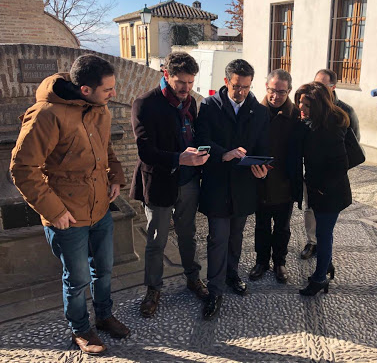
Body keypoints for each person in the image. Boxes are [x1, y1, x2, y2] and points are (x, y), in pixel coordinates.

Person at [10, 54, 129, 354]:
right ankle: (80, 329)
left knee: (103, 269)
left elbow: (106, 149)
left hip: (100, 208)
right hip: (67, 217)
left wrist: (115, 177)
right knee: (75, 279)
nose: (113, 95)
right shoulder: (46, 115)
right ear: (85, 90)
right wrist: (55, 211)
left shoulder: (100, 109)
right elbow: (23, 169)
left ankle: (103, 316)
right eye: (108, 90)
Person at [130, 52, 210, 318]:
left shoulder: (192, 103)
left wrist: (201, 154)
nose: (186, 88)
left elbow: (193, 135)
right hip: (160, 184)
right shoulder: (144, 103)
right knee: (157, 240)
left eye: (190, 82)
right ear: (166, 75)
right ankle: (153, 289)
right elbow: (145, 152)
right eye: (180, 82)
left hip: (188, 182)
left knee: (188, 235)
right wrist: (179, 158)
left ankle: (193, 278)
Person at [194, 59, 269, 320]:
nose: (241, 92)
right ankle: (214, 290)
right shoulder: (209, 106)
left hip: (245, 186)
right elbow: (200, 141)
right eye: (237, 86)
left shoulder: (259, 111)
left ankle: (232, 274)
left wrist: (262, 167)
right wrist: (223, 154)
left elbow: (263, 147)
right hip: (217, 185)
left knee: (236, 236)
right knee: (217, 238)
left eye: (246, 87)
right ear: (226, 82)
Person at [295, 81, 352, 296]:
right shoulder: (314, 124)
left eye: (306, 105)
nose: (301, 108)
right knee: (323, 233)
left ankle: (319, 279)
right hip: (320, 189)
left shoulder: (330, 129)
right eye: (300, 102)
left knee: (323, 234)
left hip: (330, 193)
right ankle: (326, 266)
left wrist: (321, 189)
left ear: (318, 106)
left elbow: (341, 166)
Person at [300, 69, 360, 260]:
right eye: (315, 83)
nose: (317, 88)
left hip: (330, 180)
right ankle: (312, 242)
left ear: (332, 88)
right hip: (312, 174)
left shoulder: (344, 111)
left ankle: (323, 265)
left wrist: (333, 172)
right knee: (309, 209)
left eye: (323, 85)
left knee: (325, 227)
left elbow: (352, 145)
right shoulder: (307, 108)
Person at [249, 69, 300, 284]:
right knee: (261, 226)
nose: (275, 96)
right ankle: (261, 261)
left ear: (288, 91)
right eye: (272, 90)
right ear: (266, 88)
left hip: (284, 182)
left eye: (281, 92)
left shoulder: (296, 115)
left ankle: (280, 262)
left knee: (282, 228)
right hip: (259, 181)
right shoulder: (254, 112)